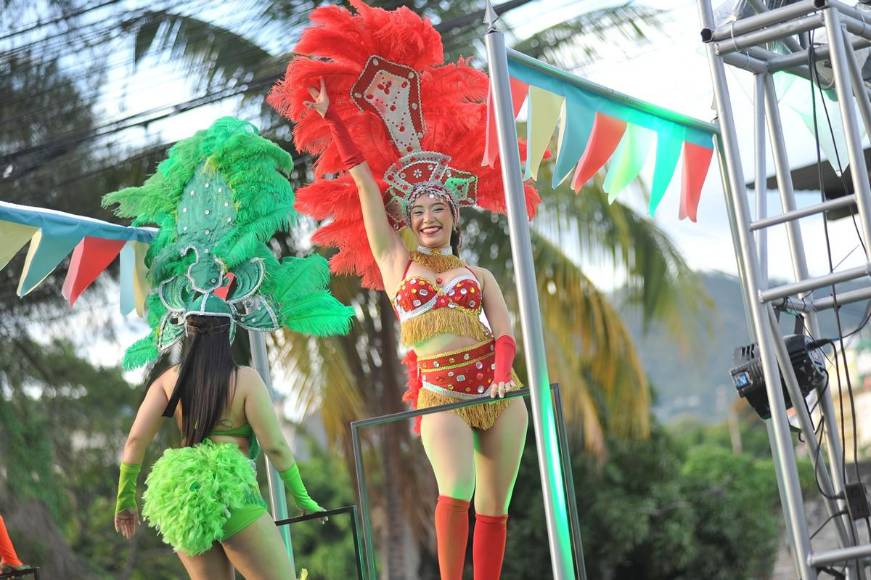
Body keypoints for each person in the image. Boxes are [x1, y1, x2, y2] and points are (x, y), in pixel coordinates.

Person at [267, 3, 540, 577]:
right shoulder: (396, 264)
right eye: (417, 211)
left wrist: (500, 370)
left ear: (453, 215)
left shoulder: (479, 276)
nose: (428, 217)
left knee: (495, 507)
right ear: (408, 221)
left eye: (438, 207)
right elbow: (365, 180)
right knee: (457, 491)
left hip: (497, 391)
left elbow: (506, 329)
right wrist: (334, 121)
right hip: (441, 395)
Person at [106, 117, 354, 580]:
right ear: (231, 330)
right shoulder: (244, 380)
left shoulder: (166, 380)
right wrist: (302, 500)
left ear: (185, 329)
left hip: (183, 496)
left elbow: (135, 442)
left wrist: (124, 502)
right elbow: (276, 448)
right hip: (234, 494)